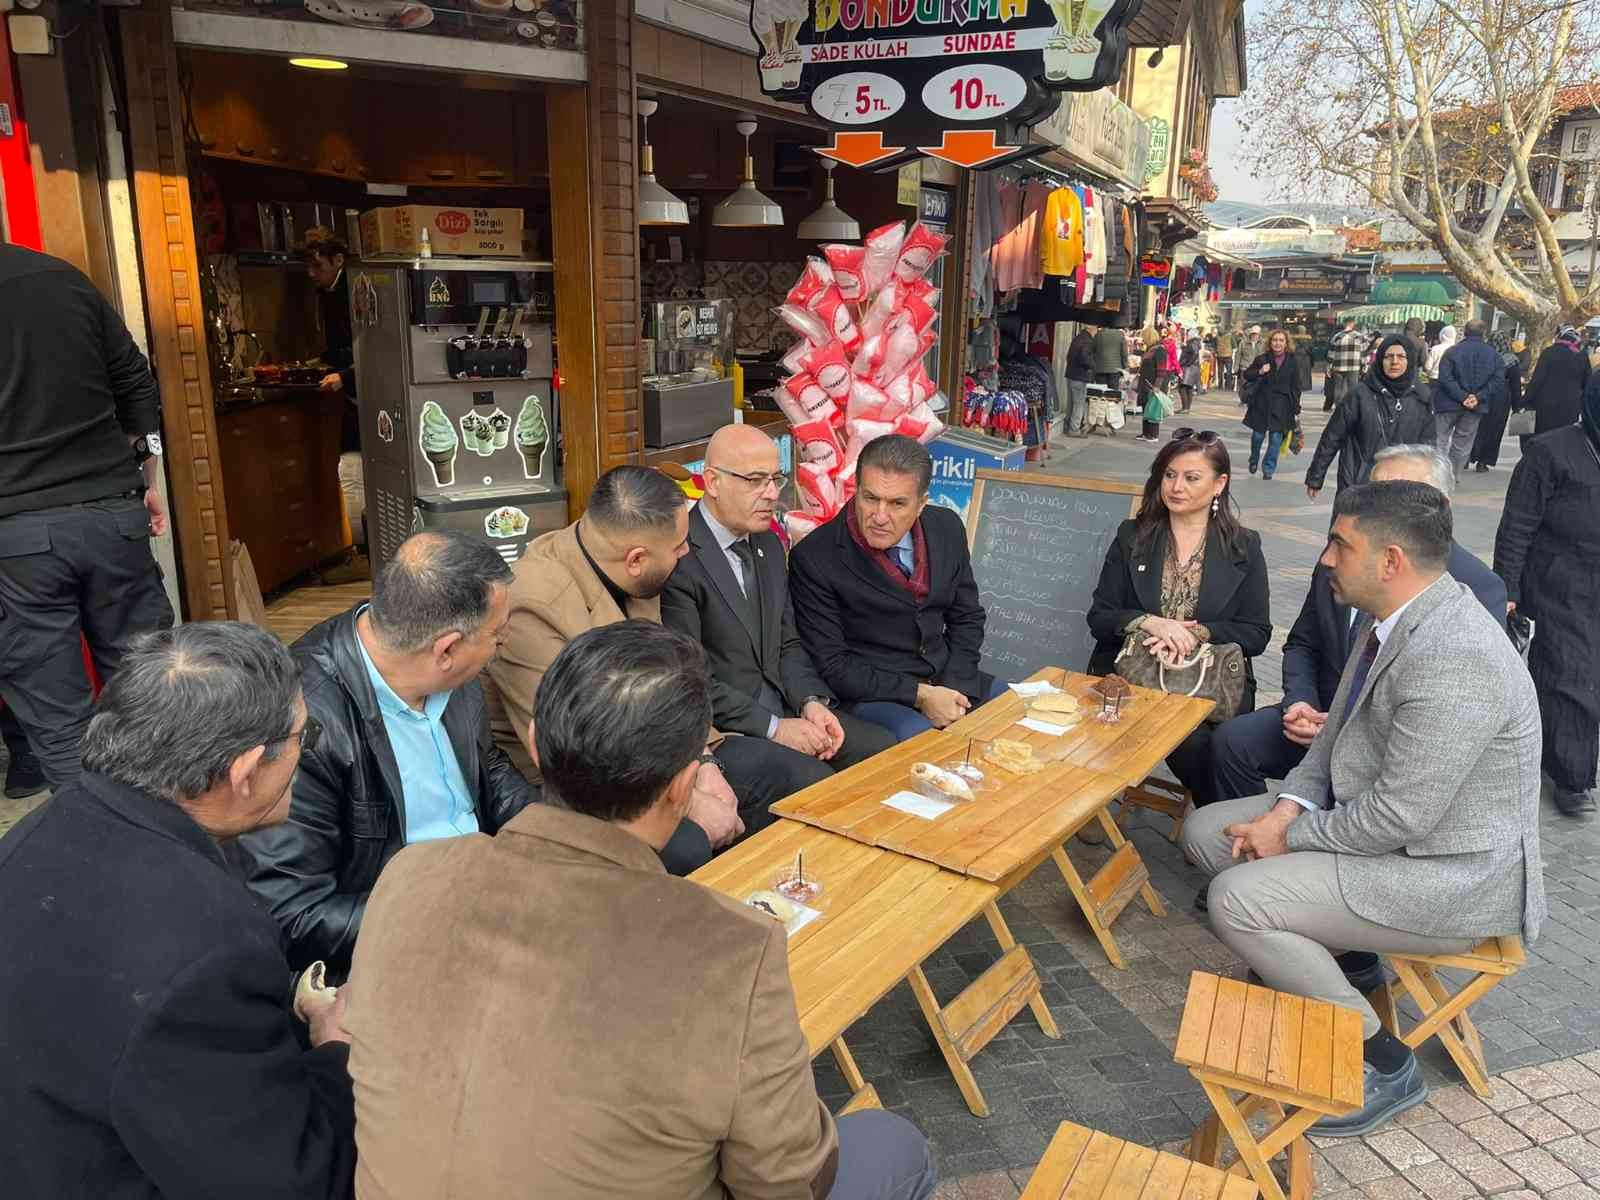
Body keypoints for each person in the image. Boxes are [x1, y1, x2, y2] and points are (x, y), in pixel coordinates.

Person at [345, 620, 936, 1200]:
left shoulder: (408, 876)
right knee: (893, 1143)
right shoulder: (733, 949)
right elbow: (784, 1180)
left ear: (533, 746)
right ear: (684, 785)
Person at [1183, 480, 1544, 1138]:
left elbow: (1399, 820)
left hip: (1450, 880)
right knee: (1209, 832)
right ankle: (1346, 959)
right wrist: (1285, 811)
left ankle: (1383, 1060)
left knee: (1237, 898)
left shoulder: (1455, 654)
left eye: (1339, 545)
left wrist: (1287, 841)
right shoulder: (1395, 616)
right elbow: (1333, 742)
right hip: (1389, 835)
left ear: (1390, 561)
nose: (1325, 559)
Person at [0, 622, 357, 1198]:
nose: (305, 751)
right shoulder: (207, 945)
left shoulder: (41, 831)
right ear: (244, 773)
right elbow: (291, 1178)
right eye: (303, 737)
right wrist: (334, 1048)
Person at [229, 531, 535, 976]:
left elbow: (485, 765)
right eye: (498, 634)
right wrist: (447, 917)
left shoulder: (445, 670)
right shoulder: (303, 723)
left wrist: (551, 832)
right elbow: (295, 913)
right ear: (446, 649)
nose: (503, 643)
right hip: (396, 944)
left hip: (485, 889)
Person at [481, 465, 747, 872]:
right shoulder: (533, 604)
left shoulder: (622, 564)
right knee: (691, 843)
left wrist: (705, 763)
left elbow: (664, 685)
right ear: (636, 559)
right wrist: (688, 798)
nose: (686, 553)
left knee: (783, 774)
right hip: (581, 783)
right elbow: (578, 747)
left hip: (658, 746)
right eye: (679, 547)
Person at [1212, 445, 1506, 806]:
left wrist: (1347, 732)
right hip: (1317, 713)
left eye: (1397, 493)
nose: (1374, 507)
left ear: (1441, 506)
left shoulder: (1477, 587)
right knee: (1231, 743)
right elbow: (1303, 642)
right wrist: (1300, 703)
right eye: (1372, 491)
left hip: (1391, 744)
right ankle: (1262, 837)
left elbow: (1454, 715)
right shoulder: (1339, 558)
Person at [0, 244, 174, 789]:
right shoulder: (62, 278)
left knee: (59, 722)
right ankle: (174, 836)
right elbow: (137, 380)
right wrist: (145, 473)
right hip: (112, 518)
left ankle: (104, 850)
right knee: (148, 693)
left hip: (18, 538)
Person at [660, 426, 895, 809]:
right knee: (816, 783)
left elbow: (788, 640)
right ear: (713, 482)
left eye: (775, 478)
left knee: (884, 749)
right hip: (726, 728)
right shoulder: (680, 554)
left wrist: (811, 702)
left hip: (785, 704)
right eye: (755, 481)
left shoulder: (768, 541)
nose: (772, 493)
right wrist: (774, 728)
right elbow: (691, 679)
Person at [1087, 430, 1271, 814]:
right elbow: (1100, 617)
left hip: (1210, 685)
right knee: (1179, 735)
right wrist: (1149, 622)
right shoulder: (1133, 537)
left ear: (1219, 484)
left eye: (1191, 477)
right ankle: (1227, 821)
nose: (1176, 487)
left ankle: (1226, 821)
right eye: (1169, 475)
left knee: (1205, 739)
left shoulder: (1243, 547)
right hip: (1134, 677)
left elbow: (1257, 633)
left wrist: (1197, 633)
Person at [790, 434, 1001, 742]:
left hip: (946, 675)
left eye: (897, 503)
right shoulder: (815, 557)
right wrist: (922, 696)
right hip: (874, 693)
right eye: (870, 498)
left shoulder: (946, 527)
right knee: (925, 747)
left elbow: (967, 617)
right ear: (856, 490)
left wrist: (955, 689)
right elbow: (834, 666)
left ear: (921, 503)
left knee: (1017, 713)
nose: (879, 516)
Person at [1494, 377, 1600, 816]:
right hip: (1559, 582)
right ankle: (1573, 779)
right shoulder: (1550, 452)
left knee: (1569, 675)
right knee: (1572, 674)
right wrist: (1507, 588)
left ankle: (1542, 745)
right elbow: (1517, 524)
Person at [1305, 336, 1435, 499]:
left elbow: (1429, 446)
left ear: (1410, 360)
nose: (1394, 362)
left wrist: (1433, 485)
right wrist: (1316, 477)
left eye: (1401, 357)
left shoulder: (1422, 397)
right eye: (1388, 357)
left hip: (1403, 484)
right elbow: (1332, 436)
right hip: (1359, 481)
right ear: (1380, 360)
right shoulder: (1360, 395)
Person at [303, 229, 366, 565]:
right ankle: (357, 550)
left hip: (365, 390)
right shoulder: (327, 292)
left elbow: (373, 343)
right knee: (352, 470)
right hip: (350, 389)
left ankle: (361, 550)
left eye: (318, 266)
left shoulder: (355, 289)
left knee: (354, 470)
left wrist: (344, 376)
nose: (312, 274)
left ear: (338, 260)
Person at [1431, 319, 1503, 478]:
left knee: (1440, 440)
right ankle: (1452, 477)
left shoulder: (1452, 352)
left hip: (1447, 403)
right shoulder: (1494, 355)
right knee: (1461, 444)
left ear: (1464, 332)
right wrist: (1477, 397)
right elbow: (1498, 380)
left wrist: (1462, 396)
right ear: (1484, 333)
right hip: (1475, 406)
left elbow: (1445, 377)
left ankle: (1437, 475)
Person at [1241, 328, 1306, 479]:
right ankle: (1254, 458)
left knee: (1276, 439)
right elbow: (1247, 374)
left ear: (1286, 343)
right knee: (1257, 436)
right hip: (1262, 403)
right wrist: (1260, 372)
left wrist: (1296, 407)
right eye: (1275, 340)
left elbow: (1296, 386)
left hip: (1282, 405)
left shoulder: (1293, 361)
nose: (1278, 343)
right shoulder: (1262, 359)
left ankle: (1268, 469)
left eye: (1281, 340)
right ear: (1270, 342)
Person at [1522, 325, 1593, 437]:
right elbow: (1587, 384)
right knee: (1562, 440)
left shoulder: (1549, 352)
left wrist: (1526, 400)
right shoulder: (1582, 356)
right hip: (1570, 408)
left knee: (1541, 438)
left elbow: (1537, 380)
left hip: (1544, 407)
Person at [1467, 333, 1522, 471]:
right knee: (1493, 430)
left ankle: (1467, 457)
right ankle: (1483, 462)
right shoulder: (1511, 360)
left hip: (1481, 394)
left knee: (1475, 427)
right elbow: (1515, 385)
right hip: (1501, 398)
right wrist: (1517, 406)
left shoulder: (1483, 356)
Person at [1325, 317, 1365, 413]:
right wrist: (1364, 365)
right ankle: (1352, 407)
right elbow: (1363, 352)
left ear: (1344, 324)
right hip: (1354, 366)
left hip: (1338, 366)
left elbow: (1331, 353)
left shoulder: (1337, 336)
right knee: (1353, 387)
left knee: (1338, 387)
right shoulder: (1359, 337)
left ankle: (1339, 406)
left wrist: (1329, 366)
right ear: (1353, 324)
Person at [1135, 328, 1166, 442]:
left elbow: (1162, 370)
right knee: (1145, 406)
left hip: (1153, 383)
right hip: (1145, 382)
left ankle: (1153, 434)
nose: (1143, 340)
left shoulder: (1159, 350)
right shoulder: (1150, 349)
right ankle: (1145, 432)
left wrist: (1157, 385)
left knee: (1153, 409)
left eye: (1144, 337)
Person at [1064, 326, 1095, 436]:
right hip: (1080, 376)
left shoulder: (1077, 338)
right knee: (1078, 404)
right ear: (1091, 328)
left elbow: (1068, 356)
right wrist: (1093, 365)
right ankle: (1074, 429)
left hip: (1071, 375)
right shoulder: (1087, 341)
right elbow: (1084, 358)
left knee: (1071, 403)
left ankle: (1067, 425)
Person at [1091, 322, 1129, 391]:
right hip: (1115, 370)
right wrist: (1125, 367)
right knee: (1112, 393)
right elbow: (1124, 353)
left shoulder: (1098, 334)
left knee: (1101, 392)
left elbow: (1093, 350)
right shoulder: (1120, 335)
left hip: (1100, 369)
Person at [1234, 326, 1264, 399]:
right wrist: (1236, 367)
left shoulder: (1262, 343)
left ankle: (1252, 399)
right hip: (1245, 367)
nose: (1254, 335)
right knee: (1243, 385)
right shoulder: (1243, 343)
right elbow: (1238, 355)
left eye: (1256, 334)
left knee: (1255, 385)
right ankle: (1243, 399)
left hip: (1257, 368)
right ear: (1250, 334)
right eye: (1253, 334)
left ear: (1259, 335)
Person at [1178, 336, 1201, 413]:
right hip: (1193, 368)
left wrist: (1187, 363)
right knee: (1188, 388)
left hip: (1189, 368)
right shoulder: (1195, 343)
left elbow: (1194, 353)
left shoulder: (1192, 344)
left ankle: (1185, 408)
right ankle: (1186, 408)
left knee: (1183, 387)